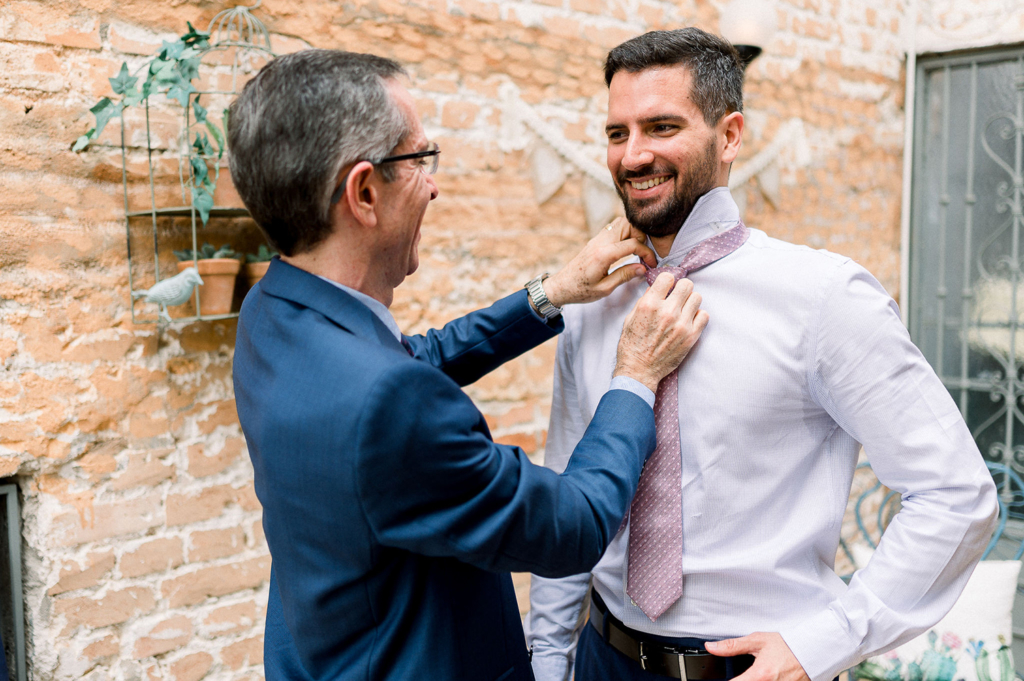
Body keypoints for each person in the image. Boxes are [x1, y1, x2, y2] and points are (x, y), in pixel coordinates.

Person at [527, 28, 999, 681]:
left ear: (730, 136)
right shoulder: (593, 299)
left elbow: (956, 493)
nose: (633, 155)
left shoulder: (824, 296)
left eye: (661, 126)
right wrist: (548, 659)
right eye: (617, 133)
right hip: (605, 658)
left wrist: (826, 641)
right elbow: (568, 493)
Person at [227, 49, 709, 681]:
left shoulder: (273, 311)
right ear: (365, 191)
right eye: (421, 158)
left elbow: (408, 360)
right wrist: (636, 375)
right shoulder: (387, 404)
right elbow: (575, 524)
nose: (435, 182)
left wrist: (550, 293)